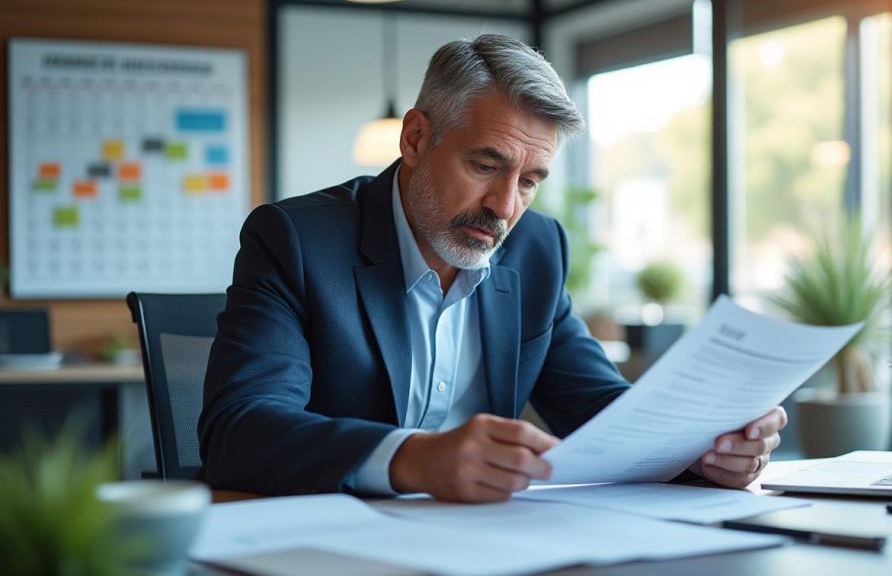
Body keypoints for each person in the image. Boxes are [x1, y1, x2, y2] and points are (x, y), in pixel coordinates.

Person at [199, 33, 786, 502]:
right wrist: (413, 458)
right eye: (485, 165)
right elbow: (241, 428)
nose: (505, 208)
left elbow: (602, 412)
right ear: (415, 138)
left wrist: (702, 450)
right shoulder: (298, 239)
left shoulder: (536, 249)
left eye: (529, 181)